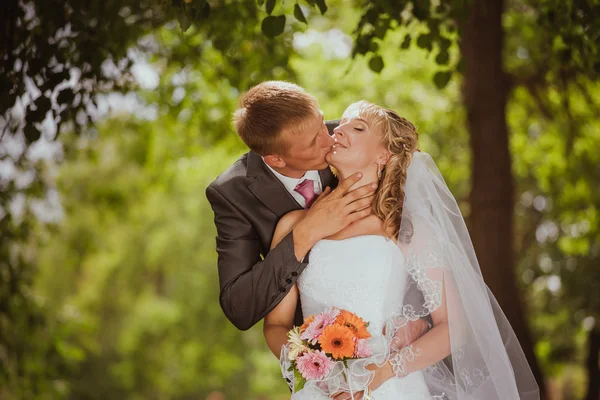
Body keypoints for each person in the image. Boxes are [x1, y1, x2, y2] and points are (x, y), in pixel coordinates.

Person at [264, 100, 540, 399]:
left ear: (383, 154)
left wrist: (379, 374)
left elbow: (454, 328)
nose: (338, 131)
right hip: (319, 391)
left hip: (390, 387)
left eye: (357, 127)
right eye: (339, 124)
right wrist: (319, 373)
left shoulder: (405, 230)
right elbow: (276, 325)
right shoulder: (293, 225)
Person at [206, 82, 428, 399]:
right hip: (322, 373)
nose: (331, 137)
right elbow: (242, 308)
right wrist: (308, 231)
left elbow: (428, 246)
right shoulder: (233, 193)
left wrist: (420, 320)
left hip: (394, 371)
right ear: (276, 159)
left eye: (324, 122)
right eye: (314, 141)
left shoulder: (351, 139)